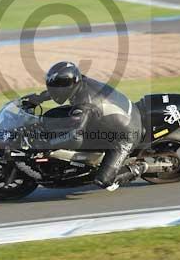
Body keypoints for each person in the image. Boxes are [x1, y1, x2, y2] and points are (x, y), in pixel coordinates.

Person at [22, 61, 147, 192]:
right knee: (52, 116)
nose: (53, 91)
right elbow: (60, 89)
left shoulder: (84, 105)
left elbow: (75, 137)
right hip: (112, 118)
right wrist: (39, 98)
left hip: (126, 135)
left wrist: (47, 145)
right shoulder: (79, 82)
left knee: (104, 181)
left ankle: (139, 168)